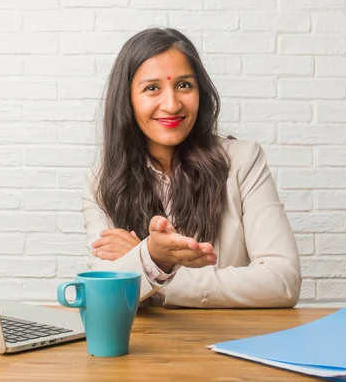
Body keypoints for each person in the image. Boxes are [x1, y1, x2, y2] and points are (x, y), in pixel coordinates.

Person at [82, 28, 301, 308]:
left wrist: (150, 262)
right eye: (152, 88)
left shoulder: (244, 161)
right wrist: (152, 257)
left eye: (184, 85)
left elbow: (282, 282)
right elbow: (103, 290)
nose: (172, 104)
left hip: (228, 339)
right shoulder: (101, 181)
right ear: (127, 100)